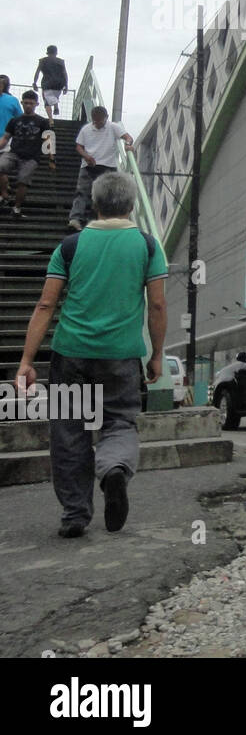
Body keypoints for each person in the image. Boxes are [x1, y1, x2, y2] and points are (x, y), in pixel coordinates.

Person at [14, 172, 168, 538]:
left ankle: (74, 514)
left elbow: (46, 304)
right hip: (121, 356)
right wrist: (157, 354)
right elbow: (158, 305)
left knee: (69, 433)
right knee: (119, 423)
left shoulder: (70, 246)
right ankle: (114, 468)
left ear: (95, 205)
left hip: (71, 355)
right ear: (131, 206)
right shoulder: (147, 246)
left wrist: (26, 361)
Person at [68, 105, 133, 231]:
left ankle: (95, 221)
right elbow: (79, 146)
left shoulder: (113, 127)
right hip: (88, 165)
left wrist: (128, 144)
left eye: (100, 121)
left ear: (106, 118)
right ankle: (75, 219)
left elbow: (128, 137)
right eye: (95, 121)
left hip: (107, 167)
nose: (97, 124)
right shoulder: (86, 129)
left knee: (102, 195)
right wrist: (86, 156)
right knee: (82, 192)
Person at [0, 91, 55, 216]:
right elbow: (5, 138)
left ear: (36, 104)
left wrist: (51, 159)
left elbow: (48, 141)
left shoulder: (42, 122)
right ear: (22, 103)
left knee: (23, 180)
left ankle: (17, 207)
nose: (28, 105)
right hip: (14, 153)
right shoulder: (14, 120)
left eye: (31, 103)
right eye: (26, 103)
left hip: (31, 157)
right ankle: (4, 194)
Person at [33, 45, 68, 119]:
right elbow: (65, 73)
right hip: (59, 84)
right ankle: (56, 105)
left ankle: (51, 118)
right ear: (56, 52)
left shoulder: (42, 61)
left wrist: (34, 83)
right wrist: (66, 85)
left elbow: (37, 72)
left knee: (47, 101)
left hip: (47, 83)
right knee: (53, 97)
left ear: (47, 52)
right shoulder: (61, 61)